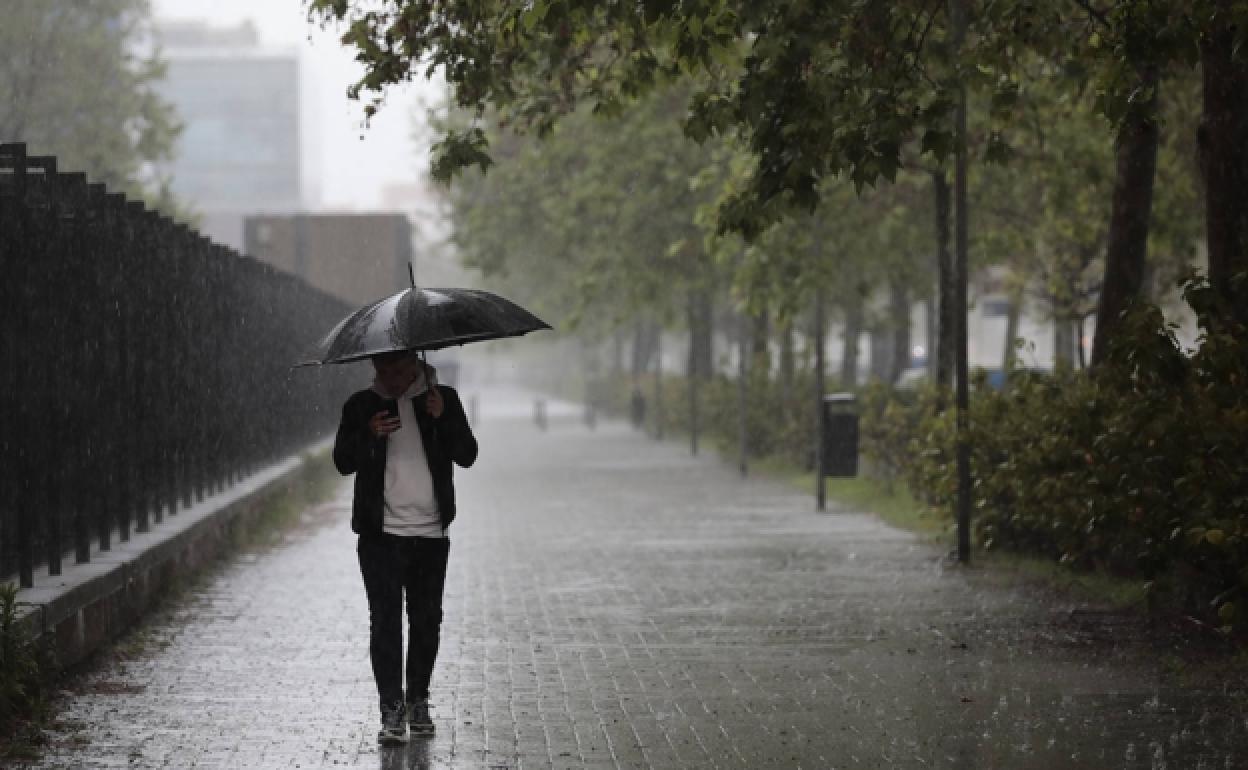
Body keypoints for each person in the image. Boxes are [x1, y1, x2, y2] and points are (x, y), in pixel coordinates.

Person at [332, 350, 478, 744]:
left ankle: (418, 700)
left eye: (398, 368)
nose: (391, 377)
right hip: (380, 536)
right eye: (383, 369)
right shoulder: (361, 406)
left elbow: (468, 455)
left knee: (427, 620)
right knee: (385, 623)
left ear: (415, 363)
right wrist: (368, 434)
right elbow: (342, 462)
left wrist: (442, 416)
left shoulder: (440, 398)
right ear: (374, 368)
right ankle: (391, 708)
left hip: (430, 534)